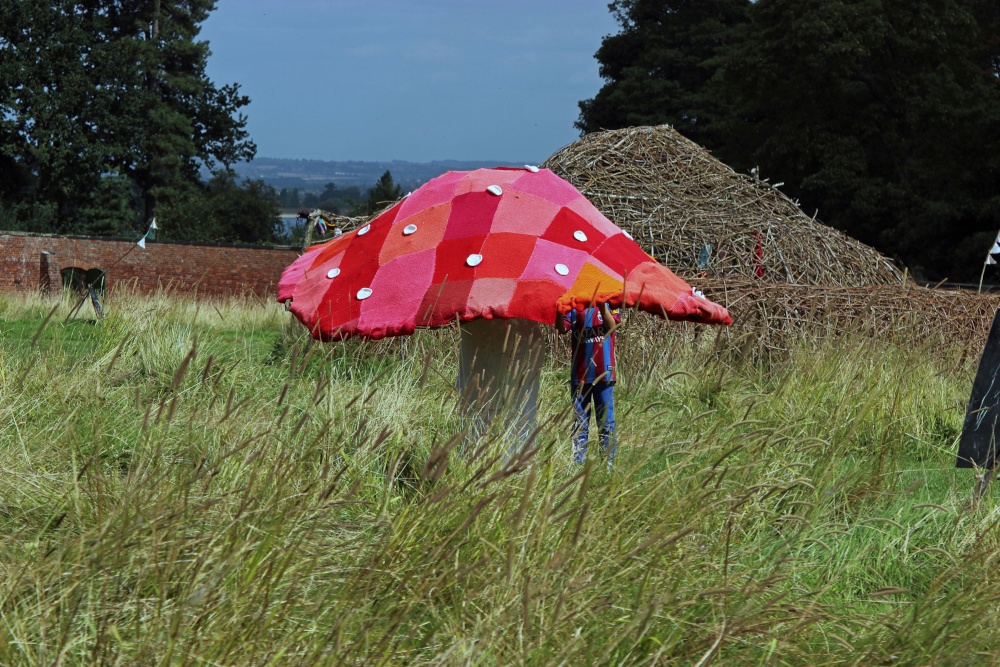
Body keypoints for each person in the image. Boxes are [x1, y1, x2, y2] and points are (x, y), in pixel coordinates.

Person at [556, 302, 621, 468]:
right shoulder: (575, 303)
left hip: (604, 373)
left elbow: (612, 326)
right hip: (580, 375)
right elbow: (562, 329)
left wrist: (601, 306)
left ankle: (608, 466)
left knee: (606, 423)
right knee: (580, 423)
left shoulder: (611, 301)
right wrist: (558, 311)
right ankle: (578, 466)